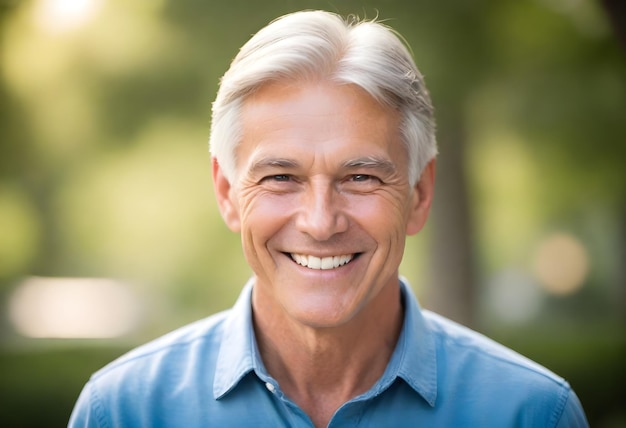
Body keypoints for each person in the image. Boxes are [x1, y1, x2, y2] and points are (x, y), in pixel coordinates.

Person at [69, 10, 589, 428]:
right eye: (280, 178)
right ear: (227, 192)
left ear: (420, 193)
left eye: (360, 178)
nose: (321, 222)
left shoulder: (531, 414)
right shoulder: (124, 412)